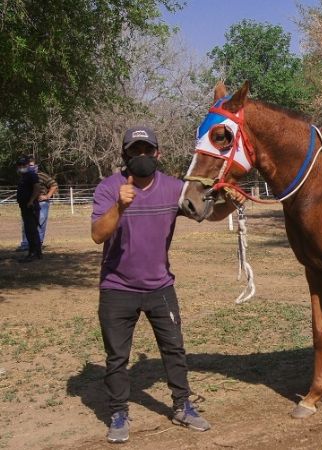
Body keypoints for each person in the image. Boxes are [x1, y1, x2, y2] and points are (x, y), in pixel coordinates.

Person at [91, 126, 212, 443]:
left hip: (160, 287)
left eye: (147, 150)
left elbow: (202, 211)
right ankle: (118, 413)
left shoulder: (174, 188)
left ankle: (183, 405)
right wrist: (119, 206)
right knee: (117, 357)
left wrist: (230, 201)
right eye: (135, 150)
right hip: (117, 289)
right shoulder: (109, 188)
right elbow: (97, 235)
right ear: (125, 155)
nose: (141, 156)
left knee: (174, 349)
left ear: (158, 153)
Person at [16, 155, 58, 252]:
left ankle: (37, 245)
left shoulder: (40, 175)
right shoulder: (23, 176)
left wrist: (47, 196)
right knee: (26, 224)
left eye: (31, 165)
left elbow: (54, 185)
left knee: (39, 224)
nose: (30, 167)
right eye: (28, 165)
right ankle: (26, 244)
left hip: (41, 203)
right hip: (28, 204)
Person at [16, 156, 42, 262]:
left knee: (31, 230)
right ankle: (34, 252)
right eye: (20, 165)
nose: (22, 167)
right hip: (24, 207)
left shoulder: (31, 175)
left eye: (24, 164)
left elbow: (37, 188)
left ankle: (34, 253)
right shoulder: (23, 176)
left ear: (27, 164)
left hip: (31, 207)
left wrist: (31, 200)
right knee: (28, 230)